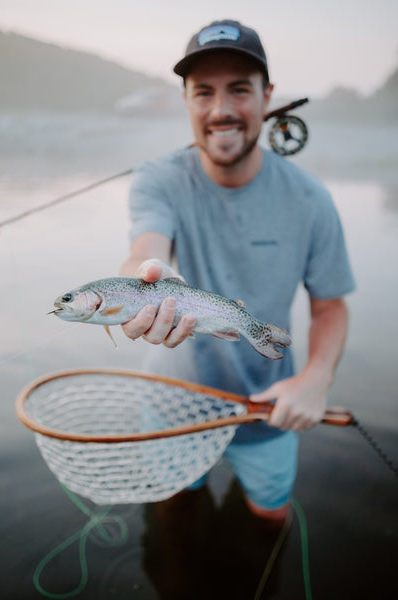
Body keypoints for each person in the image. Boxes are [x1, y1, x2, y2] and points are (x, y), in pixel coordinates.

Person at [120, 19, 355, 526]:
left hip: (269, 406)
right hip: (174, 404)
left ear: (268, 96)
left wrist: (316, 377)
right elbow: (145, 246)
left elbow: (330, 303)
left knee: (269, 519)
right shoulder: (157, 178)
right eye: (203, 92)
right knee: (173, 513)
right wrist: (144, 277)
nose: (221, 110)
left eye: (239, 90)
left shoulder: (311, 199)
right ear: (185, 99)